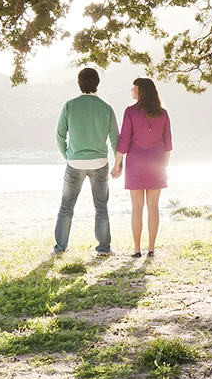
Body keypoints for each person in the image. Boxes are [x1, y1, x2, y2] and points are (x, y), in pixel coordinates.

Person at [53, 67, 120, 256]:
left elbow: (59, 136)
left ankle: (60, 247)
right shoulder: (106, 107)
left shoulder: (69, 105)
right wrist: (118, 163)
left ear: (79, 83)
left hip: (75, 163)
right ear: (97, 83)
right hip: (99, 163)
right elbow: (115, 138)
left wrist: (68, 156)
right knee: (101, 206)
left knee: (67, 206)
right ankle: (104, 249)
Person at [113, 76, 173, 258]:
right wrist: (165, 168)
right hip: (157, 164)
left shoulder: (130, 112)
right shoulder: (163, 113)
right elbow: (168, 144)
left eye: (133, 88)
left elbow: (124, 140)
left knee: (136, 207)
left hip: (136, 164)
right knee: (153, 207)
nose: (131, 91)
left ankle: (137, 249)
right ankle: (151, 249)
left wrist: (117, 165)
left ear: (140, 91)